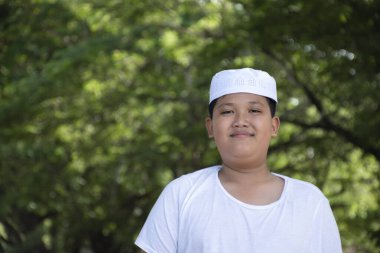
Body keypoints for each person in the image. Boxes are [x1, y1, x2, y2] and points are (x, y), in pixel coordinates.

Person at [135, 68, 342, 253]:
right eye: (227, 111)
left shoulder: (310, 202)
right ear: (210, 127)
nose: (240, 121)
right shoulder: (181, 194)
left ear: (274, 126)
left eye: (254, 110)